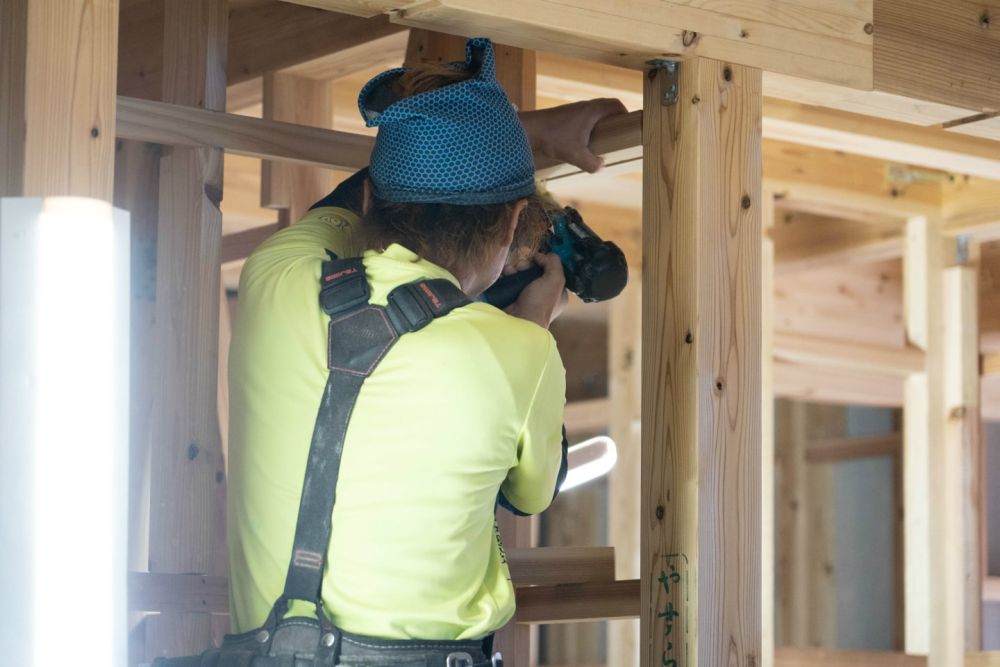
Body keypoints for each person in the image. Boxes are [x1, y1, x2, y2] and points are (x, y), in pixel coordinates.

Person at [227, 38, 625, 666]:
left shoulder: (273, 275)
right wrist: (533, 324)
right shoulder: (519, 352)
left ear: (372, 201)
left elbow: (346, 204)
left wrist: (522, 136)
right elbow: (530, 492)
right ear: (512, 220)